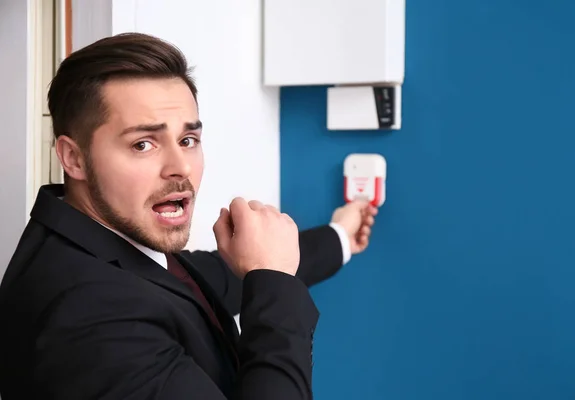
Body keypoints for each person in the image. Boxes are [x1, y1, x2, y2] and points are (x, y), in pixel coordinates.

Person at [0, 33, 378, 400]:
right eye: (143, 144)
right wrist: (275, 284)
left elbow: (211, 280)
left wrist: (340, 235)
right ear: (73, 158)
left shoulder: (96, 241)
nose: (180, 168)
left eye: (188, 140)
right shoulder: (91, 318)